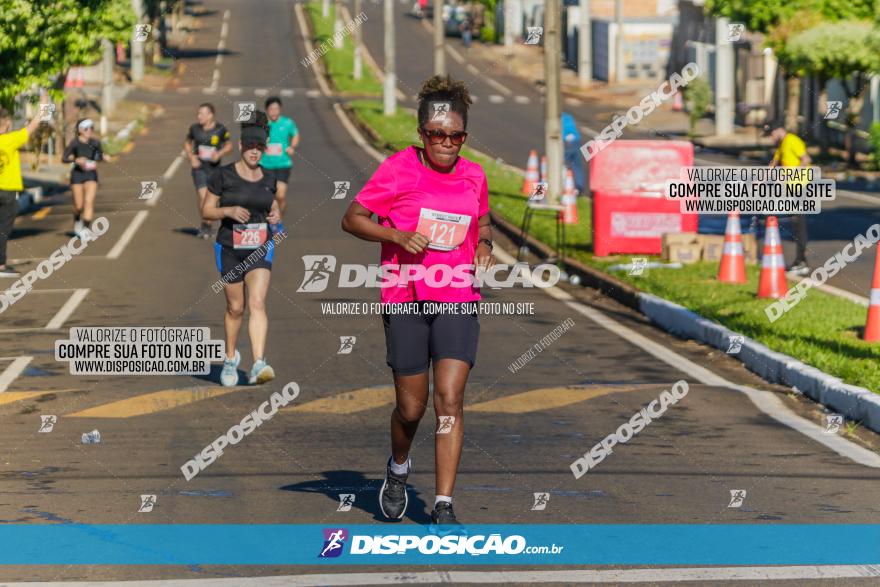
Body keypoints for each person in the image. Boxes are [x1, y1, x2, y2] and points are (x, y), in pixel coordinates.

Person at [342, 75, 493, 529]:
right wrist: (395, 235)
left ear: (464, 135)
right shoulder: (397, 170)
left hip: (457, 297)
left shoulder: (475, 174)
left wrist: (484, 245)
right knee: (412, 409)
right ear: (422, 133)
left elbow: (482, 222)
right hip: (404, 298)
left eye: (456, 136)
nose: (447, 144)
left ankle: (443, 503)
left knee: (450, 399)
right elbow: (352, 218)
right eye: (437, 135)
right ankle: (398, 466)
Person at [201, 118, 281, 387]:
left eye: (259, 146)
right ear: (240, 146)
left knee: (257, 303)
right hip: (229, 247)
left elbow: (276, 206)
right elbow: (206, 210)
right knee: (236, 308)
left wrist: (276, 215)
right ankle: (229, 358)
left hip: (260, 247)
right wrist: (228, 211)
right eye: (250, 146)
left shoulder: (270, 177)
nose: (254, 151)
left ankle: (259, 363)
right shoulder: (223, 175)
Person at [0, 92, 49, 277]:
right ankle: (0, 265)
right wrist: (44, 104)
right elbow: (34, 125)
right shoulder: (10, 139)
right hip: (7, 191)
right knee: (4, 228)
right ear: (7, 124)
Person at [765, 120, 811, 275]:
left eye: (771, 134)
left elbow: (805, 159)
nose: (770, 138)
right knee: (795, 223)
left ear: (778, 130)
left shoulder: (792, 140)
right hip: (791, 188)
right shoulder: (782, 144)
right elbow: (774, 163)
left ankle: (802, 262)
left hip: (800, 186)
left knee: (799, 224)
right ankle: (799, 261)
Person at [185, 103, 232, 239]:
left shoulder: (220, 129)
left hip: (214, 169)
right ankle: (206, 225)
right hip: (199, 168)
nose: (199, 116)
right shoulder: (194, 129)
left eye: (202, 114)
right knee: (203, 196)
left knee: (211, 199)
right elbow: (187, 142)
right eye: (198, 113)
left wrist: (219, 153)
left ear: (210, 115)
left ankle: (208, 224)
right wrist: (191, 156)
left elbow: (229, 146)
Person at [63, 119, 103, 236]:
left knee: (88, 202)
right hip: (77, 175)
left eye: (91, 128)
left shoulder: (95, 143)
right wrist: (76, 160)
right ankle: (77, 220)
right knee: (78, 205)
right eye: (86, 128)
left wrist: (102, 157)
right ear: (80, 130)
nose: (89, 130)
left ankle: (85, 228)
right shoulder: (74, 143)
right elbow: (64, 158)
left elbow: (99, 156)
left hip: (91, 174)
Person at [260, 97, 299, 216]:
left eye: (276, 109)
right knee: (267, 196)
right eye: (271, 109)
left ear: (280, 109)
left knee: (280, 195)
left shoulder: (287, 123)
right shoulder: (262, 124)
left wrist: (292, 147)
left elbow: (295, 135)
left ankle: (279, 217)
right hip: (265, 164)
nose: (274, 112)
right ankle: (271, 219)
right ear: (267, 110)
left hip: (283, 164)